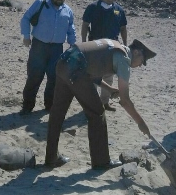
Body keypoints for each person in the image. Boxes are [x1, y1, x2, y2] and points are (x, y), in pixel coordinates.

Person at [44, 38, 155, 169]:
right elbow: (125, 101)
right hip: (76, 71)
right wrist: (141, 123)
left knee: (57, 112)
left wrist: (108, 88)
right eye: (142, 61)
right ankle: (101, 162)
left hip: (64, 63)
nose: (141, 65)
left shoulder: (113, 45)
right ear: (136, 52)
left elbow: (90, 67)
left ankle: (51, 158)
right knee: (97, 113)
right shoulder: (124, 59)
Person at [19, 0, 76, 115]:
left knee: (54, 78)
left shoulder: (67, 10)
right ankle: (27, 105)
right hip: (39, 46)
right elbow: (26, 18)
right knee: (34, 76)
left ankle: (49, 105)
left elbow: (71, 29)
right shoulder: (41, 3)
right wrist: (26, 36)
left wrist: (73, 45)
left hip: (57, 49)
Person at [81, 0, 127, 111]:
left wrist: (125, 44)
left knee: (108, 76)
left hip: (112, 49)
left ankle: (105, 102)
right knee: (93, 76)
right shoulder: (93, 8)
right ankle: (91, 103)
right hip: (95, 47)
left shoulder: (119, 10)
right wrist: (84, 42)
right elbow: (85, 25)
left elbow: (123, 28)